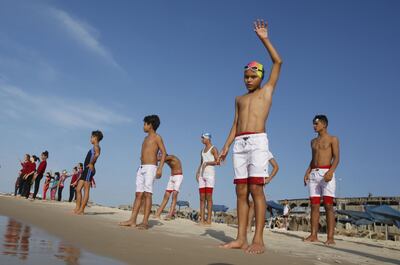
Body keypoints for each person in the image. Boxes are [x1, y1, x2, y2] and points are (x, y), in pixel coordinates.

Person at [218, 19, 282, 254]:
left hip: (257, 141)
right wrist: (225, 147)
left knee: (257, 190)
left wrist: (264, 39)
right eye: (245, 76)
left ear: (261, 78)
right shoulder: (239, 99)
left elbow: (278, 62)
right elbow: (235, 124)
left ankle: (258, 239)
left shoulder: (266, 92)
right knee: (240, 192)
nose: (248, 79)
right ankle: (240, 238)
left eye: (252, 76)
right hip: (239, 144)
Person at [119, 115, 167, 229]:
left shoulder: (157, 137)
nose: (143, 126)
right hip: (141, 167)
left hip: (151, 167)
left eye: (145, 124)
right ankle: (132, 220)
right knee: (138, 194)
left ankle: (145, 222)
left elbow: (164, 152)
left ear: (150, 125)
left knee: (147, 194)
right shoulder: (145, 138)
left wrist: (160, 168)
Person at [303, 115, 340, 246]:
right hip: (314, 173)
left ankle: (330, 237)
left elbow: (336, 158)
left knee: (329, 205)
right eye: (313, 123)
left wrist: (331, 171)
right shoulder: (312, 141)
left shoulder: (333, 139)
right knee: (314, 205)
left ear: (324, 124)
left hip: (326, 173)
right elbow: (313, 159)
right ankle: (313, 235)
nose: (314, 126)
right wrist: (307, 172)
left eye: (316, 123)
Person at [74, 130, 103, 215]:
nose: (90, 139)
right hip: (86, 170)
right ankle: (77, 208)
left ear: (95, 138)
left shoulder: (97, 146)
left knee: (86, 189)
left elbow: (97, 154)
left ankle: (82, 210)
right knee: (78, 189)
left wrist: (91, 163)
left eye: (91, 137)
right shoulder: (94, 146)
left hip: (89, 170)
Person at [247, 157, 279, 232]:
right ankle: (248, 226)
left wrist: (269, 179)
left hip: (259, 182)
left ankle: (255, 228)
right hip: (250, 179)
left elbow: (276, 167)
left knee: (257, 205)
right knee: (252, 204)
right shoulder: (250, 149)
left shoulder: (266, 152)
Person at [196, 133, 219, 225]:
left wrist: (208, 163)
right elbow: (201, 163)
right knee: (201, 197)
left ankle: (209, 220)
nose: (201, 140)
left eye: (203, 138)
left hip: (210, 175)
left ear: (208, 139)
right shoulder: (201, 151)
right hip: (202, 175)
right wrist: (197, 172)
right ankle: (202, 219)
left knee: (209, 197)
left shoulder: (213, 149)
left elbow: (218, 162)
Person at [154, 153, 183, 220]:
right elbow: (159, 160)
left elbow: (159, 159)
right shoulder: (166, 160)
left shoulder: (171, 157)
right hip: (172, 177)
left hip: (178, 176)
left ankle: (170, 215)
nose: (159, 155)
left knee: (174, 195)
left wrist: (149, 157)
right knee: (166, 195)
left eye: (160, 154)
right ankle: (158, 214)